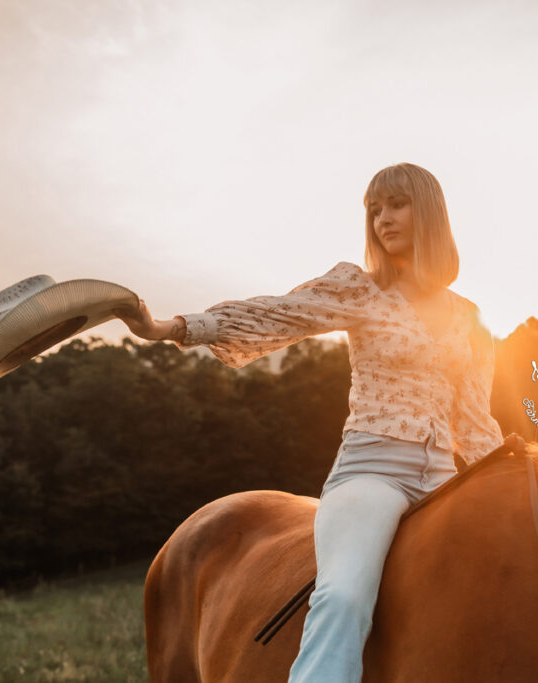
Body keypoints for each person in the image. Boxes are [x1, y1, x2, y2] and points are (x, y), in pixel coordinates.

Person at [116, 162, 504, 682]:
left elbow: (477, 426)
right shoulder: (359, 290)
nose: (383, 219)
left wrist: (509, 487)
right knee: (343, 596)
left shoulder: (472, 319)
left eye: (396, 204)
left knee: (500, 594)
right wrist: (174, 328)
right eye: (374, 209)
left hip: (445, 482)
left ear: (430, 212)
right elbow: (278, 313)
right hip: (372, 471)